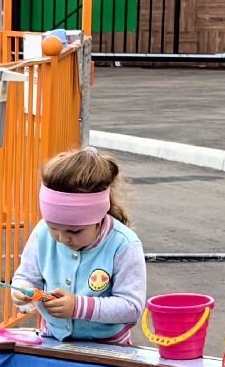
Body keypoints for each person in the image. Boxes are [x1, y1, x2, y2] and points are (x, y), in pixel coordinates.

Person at [11, 147, 145, 344]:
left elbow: (131, 307)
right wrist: (22, 290)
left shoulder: (124, 245)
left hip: (108, 350)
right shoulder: (41, 233)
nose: (63, 238)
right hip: (53, 340)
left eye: (74, 232)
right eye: (53, 227)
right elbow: (26, 276)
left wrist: (78, 307)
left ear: (98, 218)